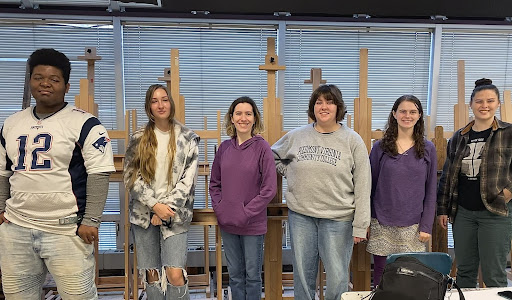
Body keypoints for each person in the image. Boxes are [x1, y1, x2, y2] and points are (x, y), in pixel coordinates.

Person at [0, 48, 115, 299]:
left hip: (65, 229)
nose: (45, 84)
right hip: (16, 228)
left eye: (54, 79)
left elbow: (99, 174)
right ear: (30, 80)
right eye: (38, 77)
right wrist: (1, 209)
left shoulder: (85, 124)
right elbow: (3, 172)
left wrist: (91, 220)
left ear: (66, 85)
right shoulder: (11, 123)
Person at [271, 84, 371, 300]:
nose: (323, 106)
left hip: (338, 219)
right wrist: (290, 171)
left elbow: (363, 184)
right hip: (302, 217)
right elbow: (272, 156)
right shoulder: (296, 136)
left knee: (337, 277)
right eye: (319, 102)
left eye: (329, 101)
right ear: (312, 107)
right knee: (303, 276)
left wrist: (360, 225)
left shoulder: (352, 140)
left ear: (338, 107)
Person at [124, 84, 199, 299]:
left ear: (170, 102)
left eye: (164, 99)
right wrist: (154, 206)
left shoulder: (187, 138)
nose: (160, 105)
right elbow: (131, 176)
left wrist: (165, 208)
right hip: (144, 214)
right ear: (149, 106)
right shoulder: (138, 138)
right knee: (152, 274)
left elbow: (188, 180)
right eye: (155, 100)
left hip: (175, 214)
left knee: (174, 273)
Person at [437, 78, 512, 288]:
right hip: (463, 213)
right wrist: (443, 208)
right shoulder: (458, 138)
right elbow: (448, 176)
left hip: (495, 212)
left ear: (498, 104)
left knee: (494, 274)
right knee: (465, 271)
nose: (484, 105)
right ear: (471, 104)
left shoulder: (508, 133)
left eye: (490, 100)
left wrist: (508, 192)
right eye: (479, 101)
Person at [209, 96, 277, 300]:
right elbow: (214, 184)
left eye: (248, 114)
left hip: (252, 224)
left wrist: (245, 213)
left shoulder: (262, 148)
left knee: (252, 276)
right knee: (235, 276)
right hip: (228, 223)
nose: (243, 118)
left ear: (255, 118)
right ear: (231, 118)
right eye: (238, 113)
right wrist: (220, 209)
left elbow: (269, 189)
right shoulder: (224, 148)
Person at [366, 95, 437, 287]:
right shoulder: (380, 147)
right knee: (382, 272)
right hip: (382, 221)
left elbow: (431, 190)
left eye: (413, 112)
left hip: (413, 225)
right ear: (394, 114)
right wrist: (367, 220)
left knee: (410, 275)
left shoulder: (428, 149)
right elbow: (369, 186)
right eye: (403, 111)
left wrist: (426, 225)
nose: (408, 115)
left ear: (419, 115)